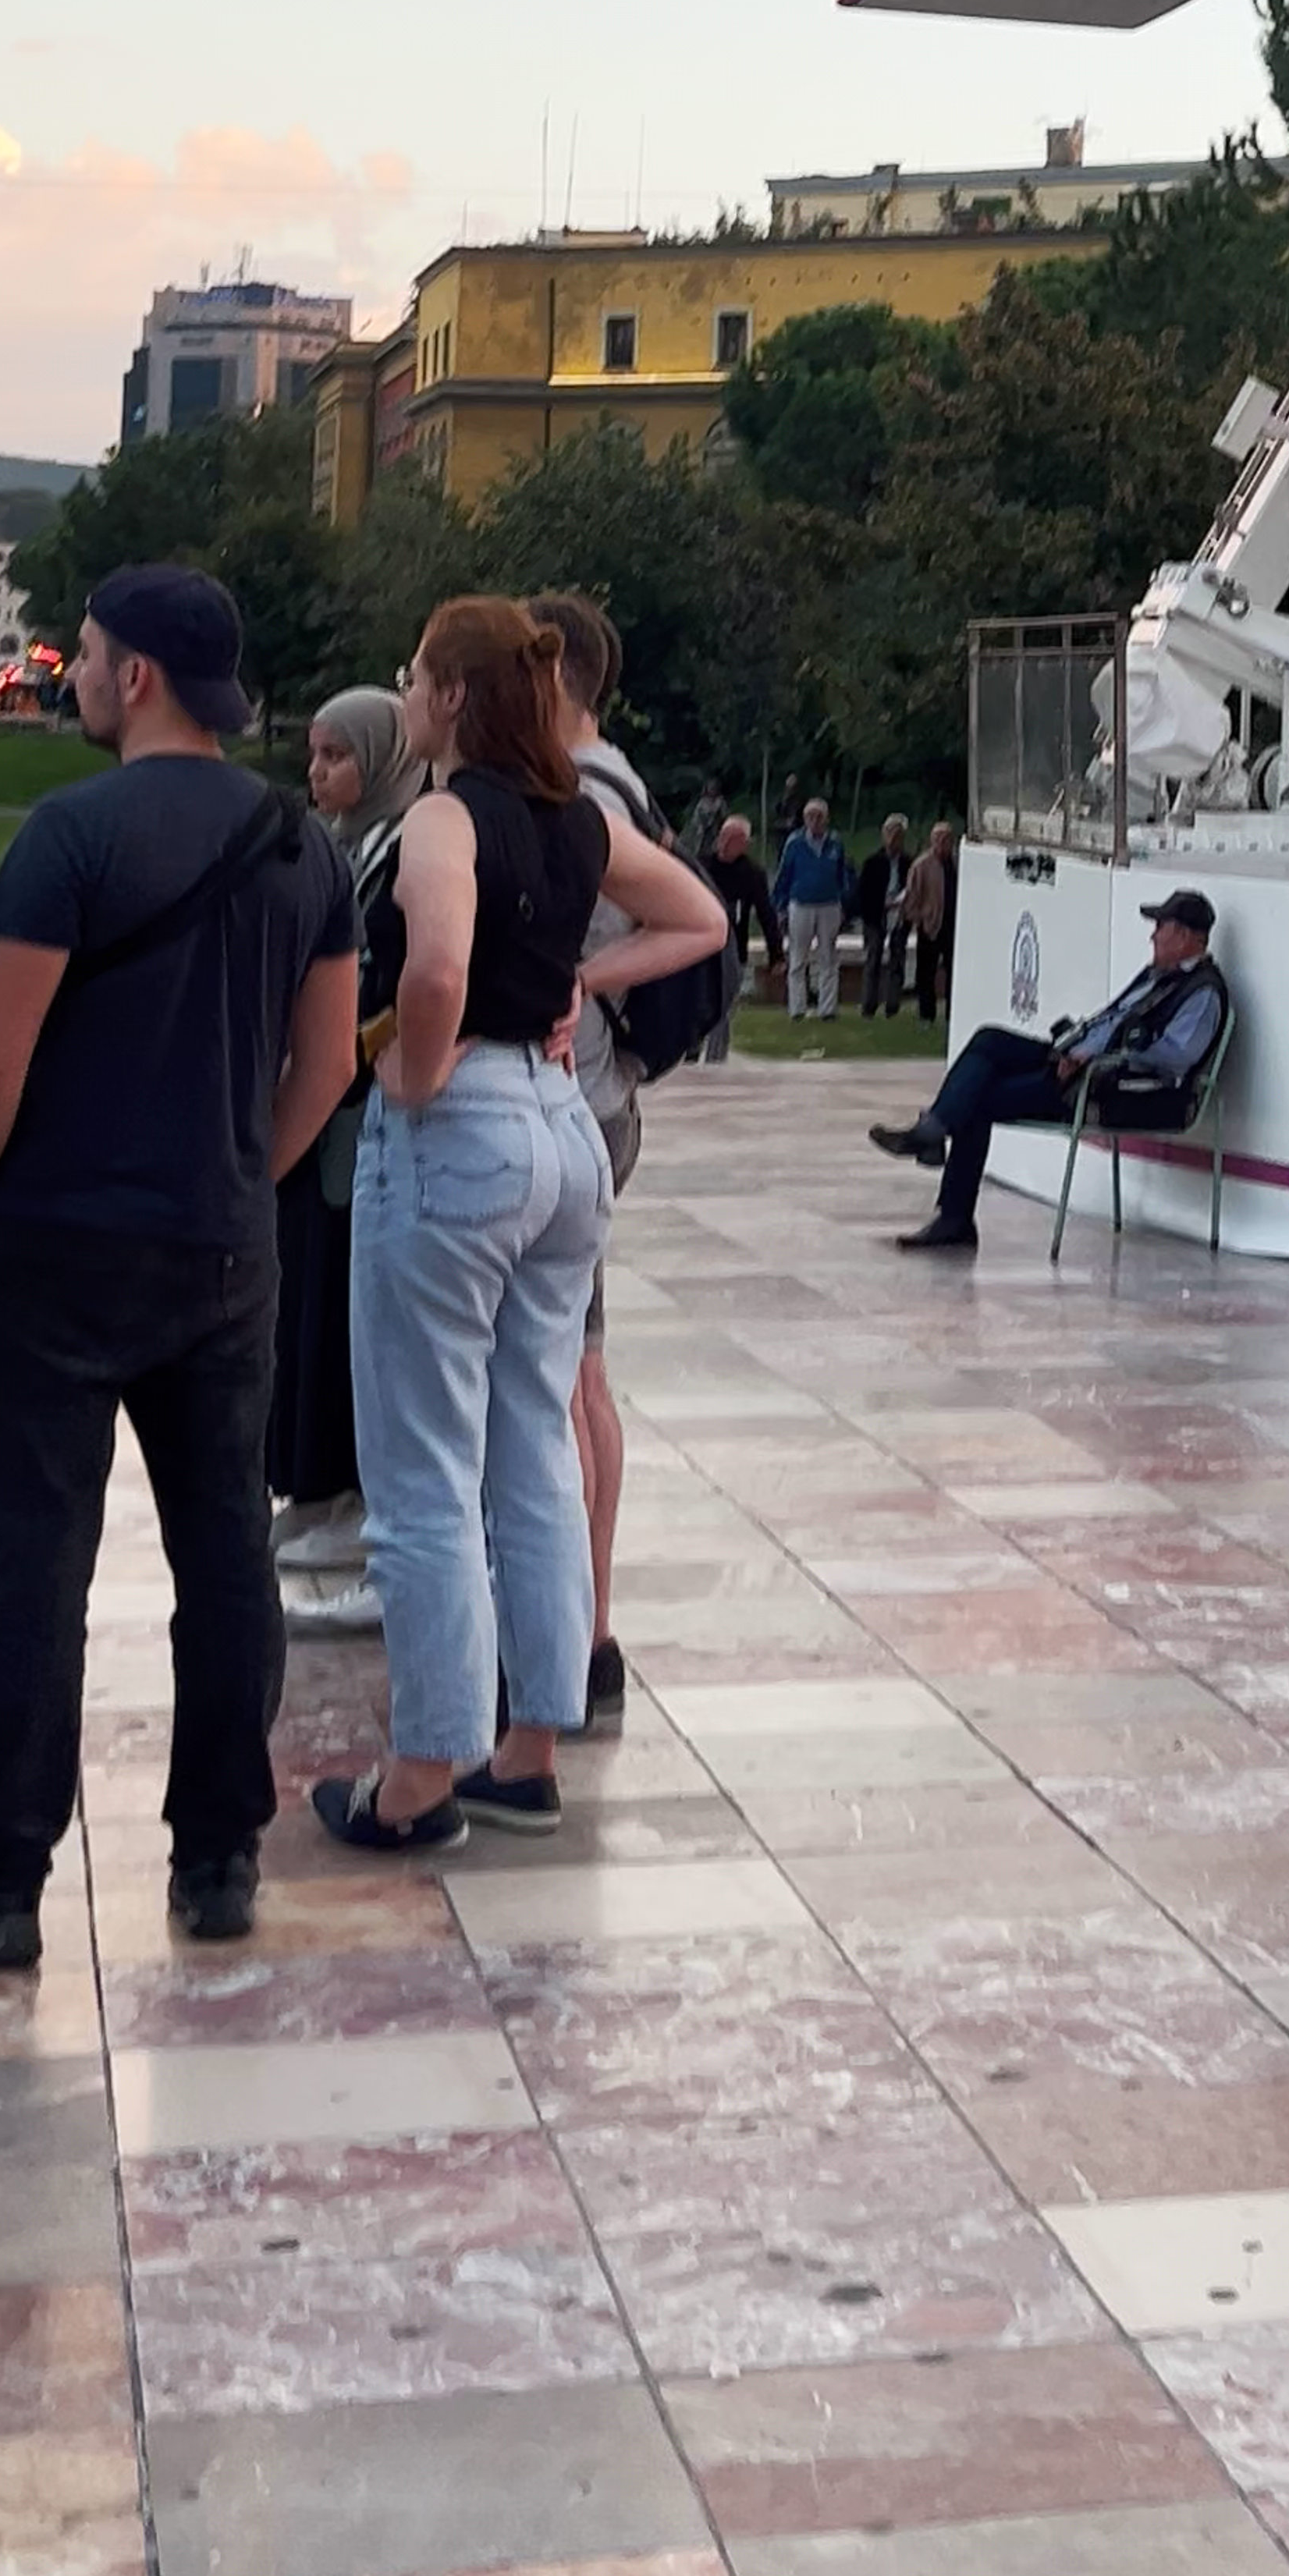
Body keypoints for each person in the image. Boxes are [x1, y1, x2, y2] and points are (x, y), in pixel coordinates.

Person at [0, 569, 358, 1974]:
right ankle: (219, 1856)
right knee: (224, 1552)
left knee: (40, 1561)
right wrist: (239, 1180)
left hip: (57, 1252)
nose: (77, 674)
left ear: (138, 674)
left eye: (88, 655)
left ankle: (0, 1886)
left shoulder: (72, 832)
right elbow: (327, 1062)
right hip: (221, 1252)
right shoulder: (304, 841)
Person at [311, 599, 725, 1855]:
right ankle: (528, 1747)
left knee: (424, 1466)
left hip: (467, 1127)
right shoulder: (583, 819)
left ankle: (421, 1774)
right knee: (533, 1445)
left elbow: (432, 970)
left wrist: (417, 1078)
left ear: (445, 698)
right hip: (561, 1132)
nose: (408, 691)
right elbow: (701, 916)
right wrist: (583, 987)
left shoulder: (445, 815)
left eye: (414, 674)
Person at [527, 589, 659, 1728]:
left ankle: (580, 1631)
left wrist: (575, 984)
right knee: (579, 1370)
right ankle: (582, 1624)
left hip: (574, 1094)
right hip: (596, 1098)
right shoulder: (613, 778)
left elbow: (682, 919)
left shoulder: (584, 789)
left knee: (570, 1376)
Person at [271, 687, 426, 1639]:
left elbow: (407, 985)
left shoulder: (413, 845)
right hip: (327, 1103)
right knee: (319, 1306)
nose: (320, 772)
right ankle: (326, 1489)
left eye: (337, 755)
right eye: (315, 753)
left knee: (356, 1313)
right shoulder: (351, 843)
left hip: (361, 1106)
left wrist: (348, 1049)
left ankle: (372, 1508)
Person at [873, 885, 1227, 1258]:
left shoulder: (1202, 993)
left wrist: (1093, 1059)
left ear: (1185, 937)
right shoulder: (1158, 975)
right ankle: (934, 1134)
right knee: (989, 1040)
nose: (1152, 935)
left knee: (977, 1101)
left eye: (1161, 927)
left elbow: (1176, 1058)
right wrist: (1076, 1048)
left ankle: (951, 1204)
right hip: (1080, 1062)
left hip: (1108, 1086)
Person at [771, 797, 850, 1019]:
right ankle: (797, 1008)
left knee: (829, 958)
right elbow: (784, 875)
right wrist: (780, 906)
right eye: (811, 817)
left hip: (829, 904)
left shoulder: (835, 843)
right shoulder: (794, 843)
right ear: (805, 819)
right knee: (798, 958)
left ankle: (828, 1009)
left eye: (819, 817)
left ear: (826, 819)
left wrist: (843, 901)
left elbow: (843, 874)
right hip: (801, 904)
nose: (815, 821)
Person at [854, 812, 913, 1015]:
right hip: (876, 916)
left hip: (900, 915)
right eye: (890, 834)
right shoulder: (873, 862)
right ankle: (869, 1005)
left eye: (898, 836)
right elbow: (863, 894)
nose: (894, 839)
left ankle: (893, 1005)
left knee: (897, 960)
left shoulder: (908, 863)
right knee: (873, 960)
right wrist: (883, 903)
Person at [903, 818, 958, 1026]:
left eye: (947, 839)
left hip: (953, 926)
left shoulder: (957, 863)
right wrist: (920, 917)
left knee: (953, 972)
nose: (943, 843)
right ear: (932, 841)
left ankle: (952, 1015)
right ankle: (926, 1015)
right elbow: (911, 897)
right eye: (939, 839)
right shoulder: (922, 865)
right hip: (931, 926)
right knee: (926, 973)